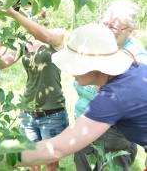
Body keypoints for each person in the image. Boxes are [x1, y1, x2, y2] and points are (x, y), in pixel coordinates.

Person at [16, 23, 147, 170]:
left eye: (74, 62)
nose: (69, 69)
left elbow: (56, 149)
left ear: (94, 64)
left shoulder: (113, 98)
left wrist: (0, 156)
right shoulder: (135, 70)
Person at [74, 0, 147, 171]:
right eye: (105, 23)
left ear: (130, 31)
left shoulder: (137, 58)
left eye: (113, 27)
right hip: (82, 124)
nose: (106, 30)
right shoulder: (95, 47)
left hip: (114, 134)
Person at [3, 7, 69, 171]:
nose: (27, 11)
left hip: (52, 112)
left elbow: (45, 35)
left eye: (30, 8)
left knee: (51, 162)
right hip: (28, 111)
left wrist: (14, 13)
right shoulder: (22, 43)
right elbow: (2, 63)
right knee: (32, 161)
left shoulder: (57, 36)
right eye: (23, 8)